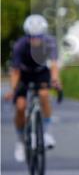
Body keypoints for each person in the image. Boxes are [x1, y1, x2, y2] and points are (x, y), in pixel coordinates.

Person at [5, 15, 61, 163]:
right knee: (20, 106)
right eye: (32, 37)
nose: (35, 40)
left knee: (43, 95)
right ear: (27, 36)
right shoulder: (19, 45)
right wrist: (13, 89)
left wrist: (55, 80)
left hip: (41, 72)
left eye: (38, 37)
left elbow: (54, 64)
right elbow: (15, 71)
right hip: (24, 74)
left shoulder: (50, 43)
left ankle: (47, 133)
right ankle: (21, 142)